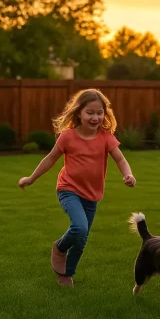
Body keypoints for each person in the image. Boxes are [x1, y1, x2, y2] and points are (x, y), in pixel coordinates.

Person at [18, 89, 136, 286]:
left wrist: (128, 174)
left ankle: (66, 274)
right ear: (78, 112)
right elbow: (50, 159)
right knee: (80, 228)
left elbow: (120, 159)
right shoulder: (68, 137)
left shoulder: (106, 137)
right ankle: (60, 247)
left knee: (81, 239)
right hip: (68, 189)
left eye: (100, 113)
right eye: (90, 112)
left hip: (92, 195)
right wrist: (31, 178)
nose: (95, 117)